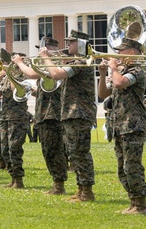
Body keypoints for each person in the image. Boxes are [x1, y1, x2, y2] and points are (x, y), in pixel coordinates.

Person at [33, 30, 98, 202]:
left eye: (71, 42)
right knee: (74, 153)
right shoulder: (76, 61)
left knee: (80, 153)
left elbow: (56, 75)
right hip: (71, 113)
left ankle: (87, 191)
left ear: (82, 43)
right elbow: (50, 75)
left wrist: (46, 57)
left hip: (79, 113)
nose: (67, 45)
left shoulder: (81, 62)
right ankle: (80, 189)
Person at [98, 37, 146, 214]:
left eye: (121, 51)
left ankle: (141, 205)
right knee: (122, 168)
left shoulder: (137, 71)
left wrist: (113, 68)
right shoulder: (119, 72)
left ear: (132, 53)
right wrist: (104, 73)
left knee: (132, 166)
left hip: (133, 125)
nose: (117, 54)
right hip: (120, 125)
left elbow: (120, 83)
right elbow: (103, 94)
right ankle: (133, 202)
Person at [13, 37, 68, 195]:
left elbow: (30, 74)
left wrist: (19, 62)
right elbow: (46, 89)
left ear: (50, 49)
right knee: (47, 150)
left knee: (54, 150)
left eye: (42, 48)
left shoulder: (54, 64)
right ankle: (56, 183)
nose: (39, 52)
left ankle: (59, 185)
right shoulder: (47, 65)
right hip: (43, 113)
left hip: (53, 114)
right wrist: (34, 92)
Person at [0, 57, 29, 189]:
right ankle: (12, 178)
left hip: (17, 117)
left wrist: (10, 75)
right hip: (5, 117)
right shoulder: (5, 76)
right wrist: (0, 79)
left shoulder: (21, 76)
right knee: (5, 149)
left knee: (15, 149)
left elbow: (15, 90)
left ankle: (19, 180)